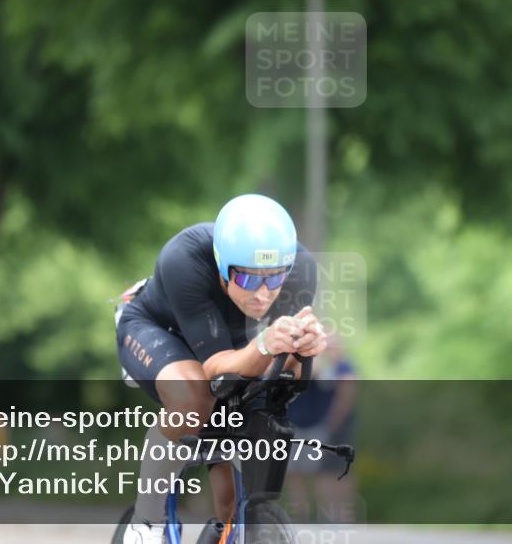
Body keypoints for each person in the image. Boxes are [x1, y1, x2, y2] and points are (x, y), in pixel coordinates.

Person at [118, 194, 329, 544]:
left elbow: (284, 371)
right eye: (248, 280)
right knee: (195, 398)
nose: (263, 294)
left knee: (234, 490)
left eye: (274, 279)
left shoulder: (301, 270)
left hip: (227, 344)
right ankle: (146, 522)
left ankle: (229, 529)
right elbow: (217, 371)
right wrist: (264, 344)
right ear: (221, 264)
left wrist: (305, 349)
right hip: (159, 331)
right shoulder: (184, 257)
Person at [285, 334, 357, 524]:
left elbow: (346, 394)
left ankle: (332, 515)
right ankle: (301, 512)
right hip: (297, 423)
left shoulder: (339, 367)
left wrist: (332, 423)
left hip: (319, 425)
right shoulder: (301, 362)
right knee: (294, 472)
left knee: (322, 472)